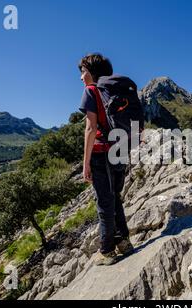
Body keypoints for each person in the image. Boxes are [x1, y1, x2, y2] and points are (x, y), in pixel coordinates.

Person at [78, 53, 134, 266]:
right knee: (115, 197)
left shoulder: (91, 92)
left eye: (83, 72)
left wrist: (86, 164)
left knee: (104, 202)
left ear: (92, 72)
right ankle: (124, 242)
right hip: (119, 150)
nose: (81, 77)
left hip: (102, 152)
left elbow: (91, 128)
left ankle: (107, 250)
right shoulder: (114, 91)